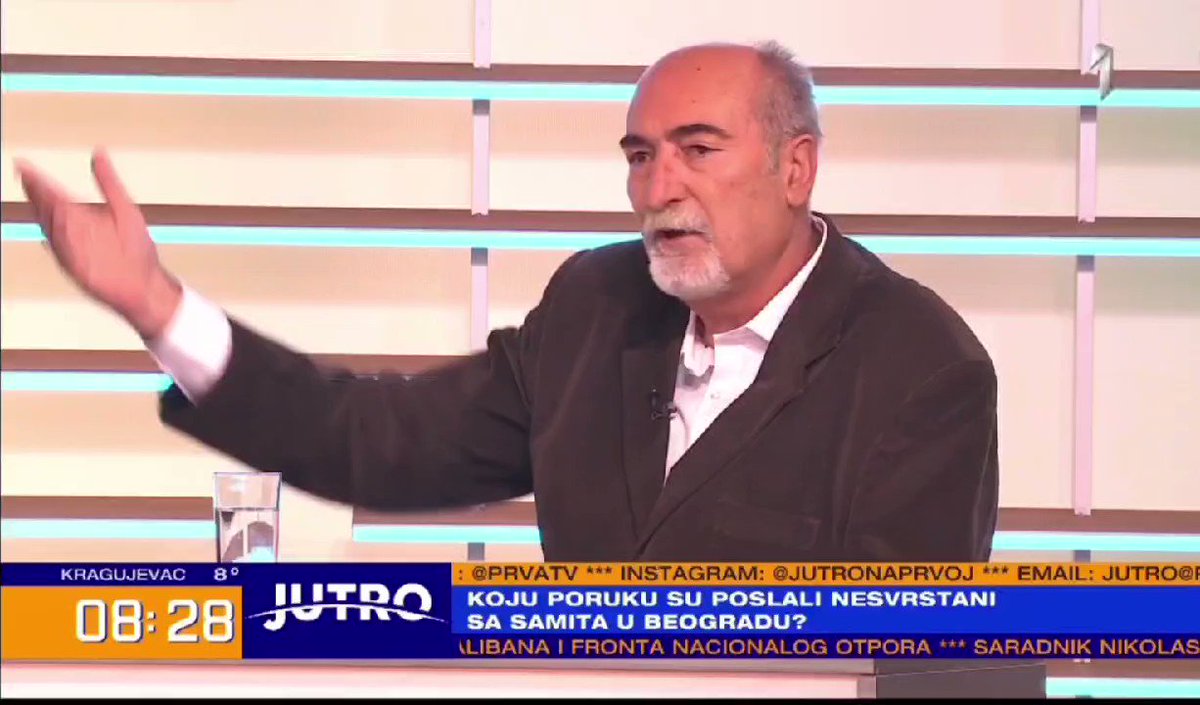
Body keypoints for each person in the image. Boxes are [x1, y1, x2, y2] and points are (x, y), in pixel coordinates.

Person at [15, 41, 998, 562]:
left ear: (796, 169)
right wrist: (158, 307)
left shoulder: (920, 370)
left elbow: (918, 669)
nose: (659, 188)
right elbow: (376, 439)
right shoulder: (596, 308)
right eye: (640, 156)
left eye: (698, 150)